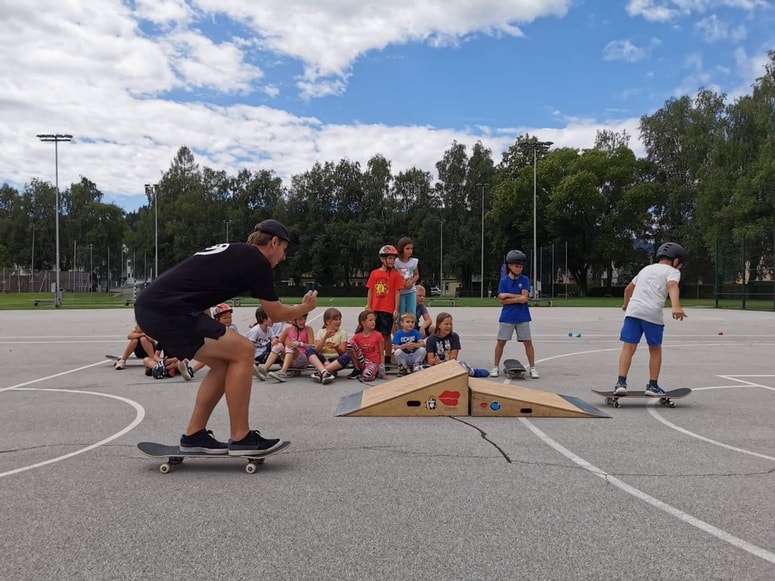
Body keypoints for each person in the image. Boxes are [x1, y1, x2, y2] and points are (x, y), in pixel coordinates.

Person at [134, 219, 317, 456]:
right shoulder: (256, 260)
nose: (284, 257)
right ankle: (242, 437)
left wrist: (207, 326)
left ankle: (194, 436)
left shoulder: (237, 253)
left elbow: (196, 285)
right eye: (284, 249)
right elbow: (276, 313)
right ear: (274, 242)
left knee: (223, 363)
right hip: (167, 310)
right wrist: (305, 308)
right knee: (244, 350)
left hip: (157, 308)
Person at [613, 242, 688, 396]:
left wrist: (626, 305)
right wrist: (676, 306)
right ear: (676, 260)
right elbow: (672, 286)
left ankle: (621, 383)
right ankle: (652, 386)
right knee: (655, 349)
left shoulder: (646, 269)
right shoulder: (672, 271)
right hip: (652, 313)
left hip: (633, 312)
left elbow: (628, 290)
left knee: (628, 347)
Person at [491, 250, 539, 379]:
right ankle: (495, 367)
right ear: (510, 266)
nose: (519, 268)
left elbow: (524, 298)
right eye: (516, 266)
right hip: (507, 316)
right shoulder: (504, 281)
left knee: (528, 342)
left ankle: (533, 368)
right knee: (501, 342)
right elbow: (502, 301)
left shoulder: (525, 280)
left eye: (521, 266)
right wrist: (517, 298)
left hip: (522, 316)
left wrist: (508, 295)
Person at [366, 245, 404, 367]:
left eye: (393, 258)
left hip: (387, 310)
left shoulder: (395, 275)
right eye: (390, 258)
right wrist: (369, 306)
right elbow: (371, 290)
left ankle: (387, 357)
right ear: (383, 259)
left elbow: (397, 293)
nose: (392, 261)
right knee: (374, 334)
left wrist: (396, 309)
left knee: (386, 335)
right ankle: (375, 356)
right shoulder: (375, 273)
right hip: (375, 309)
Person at [323, 309, 385, 382]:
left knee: (366, 376)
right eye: (370, 320)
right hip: (362, 361)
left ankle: (371, 372)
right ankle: (357, 369)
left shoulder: (378, 335)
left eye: (374, 320)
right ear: (363, 323)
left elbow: (381, 354)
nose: (373, 322)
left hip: (373, 363)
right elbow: (349, 347)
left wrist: (382, 367)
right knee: (351, 343)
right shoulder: (357, 336)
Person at [265, 313, 316, 382]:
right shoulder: (288, 330)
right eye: (300, 319)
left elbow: (312, 347)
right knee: (278, 345)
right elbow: (279, 341)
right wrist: (274, 341)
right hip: (290, 359)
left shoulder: (308, 329)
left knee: (290, 346)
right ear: (293, 320)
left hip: (303, 359)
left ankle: (283, 372)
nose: (303, 321)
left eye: (304, 319)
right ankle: (264, 370)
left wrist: (300, 344)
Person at [307, 307, 348, 384]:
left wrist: (337, 348)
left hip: (335, 360)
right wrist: (325, 337)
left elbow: (343, 353)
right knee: (309, 350)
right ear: (327, 321)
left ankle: (321, 372)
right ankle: (325, 372)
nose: (338, 322)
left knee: (347, 356)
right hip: (322, 359)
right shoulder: (321, 332)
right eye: (335, 319)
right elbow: (317, 350)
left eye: (339, 319)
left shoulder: (342, 333)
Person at [246, 307, 284, 378]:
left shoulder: (269, 329)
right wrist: (251, 359)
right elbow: (249, 346)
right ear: (263, 319)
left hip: (266, 352)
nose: (274, 319)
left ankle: (287, 365)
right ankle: (263, 371)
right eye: (271, 317)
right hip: (258, 355)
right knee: (278, 348)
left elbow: (273, 339)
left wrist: (274, 341)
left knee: (279, 347)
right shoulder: (255, 331)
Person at [395, 237, 420, 320]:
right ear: (401, 249)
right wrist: (403, 283)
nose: (410, 251)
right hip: (400, 292)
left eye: (411, 249)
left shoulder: (414, 261)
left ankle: (412, 325)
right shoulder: (396, 262)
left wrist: (412, 281)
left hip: (411, 291)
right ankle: (400, 327)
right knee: (401, 313)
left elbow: (416, 275)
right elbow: (394, 276)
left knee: (412, 312)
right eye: (407, 248)